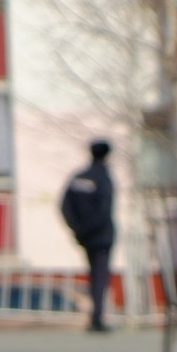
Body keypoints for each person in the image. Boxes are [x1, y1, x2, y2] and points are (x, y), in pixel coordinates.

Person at [60, 140, 116, 332]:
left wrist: (77, 228)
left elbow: (65, 206)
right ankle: (97, 316)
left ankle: (95, 314)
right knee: (100, 275)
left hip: (85, 236)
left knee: (93, 274)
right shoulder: (103, 177)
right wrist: (89, 229)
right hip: (101, 236)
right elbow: (104, 210)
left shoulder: (79, 177)